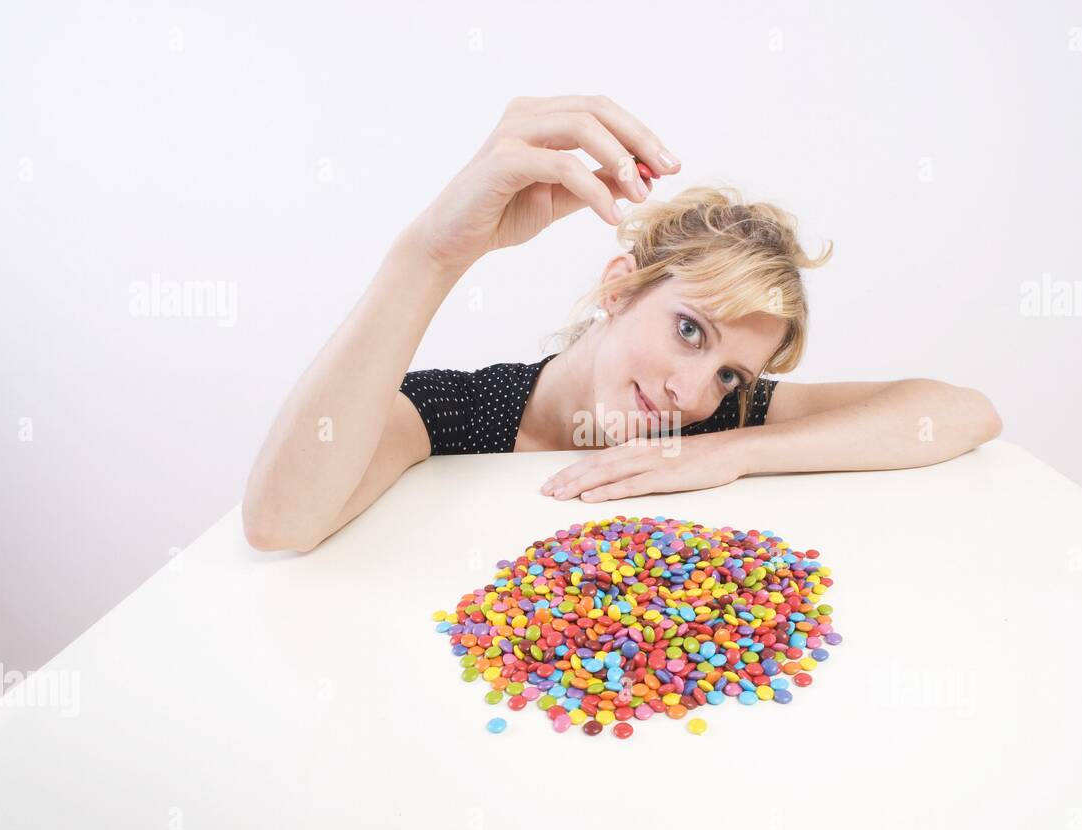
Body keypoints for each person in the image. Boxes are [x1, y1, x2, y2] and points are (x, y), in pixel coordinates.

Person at [243, 94, 1002, 553]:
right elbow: (280, 523)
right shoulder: (459, 413)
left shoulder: (715, 424)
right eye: (691, 331)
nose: (693, 393)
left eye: (731, 374)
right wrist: (431, 257)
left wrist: (733, 454)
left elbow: (962, 414)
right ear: (619, 290)